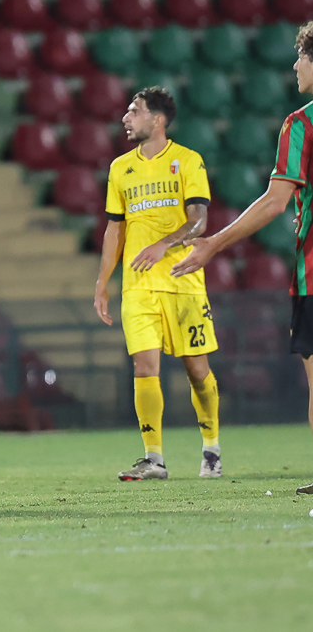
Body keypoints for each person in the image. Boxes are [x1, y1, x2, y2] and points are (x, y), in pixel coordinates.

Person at [172, 21, 313, 494]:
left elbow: (275, 202)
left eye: (302, 56)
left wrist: (212, 243)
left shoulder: (301, 124)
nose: (295, 65)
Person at [93, 87, 222, 481]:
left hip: (183, 280)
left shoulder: (187, 161)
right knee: (144, 366)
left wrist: (163, 244)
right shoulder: (119, 169)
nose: (125, 119)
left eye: (134, 111)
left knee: (197, 371)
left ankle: (212, 447)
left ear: (158, 119)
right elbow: (114, 231)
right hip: (138, 284)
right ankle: (154, 459)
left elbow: (199, 220)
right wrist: (102, 282)